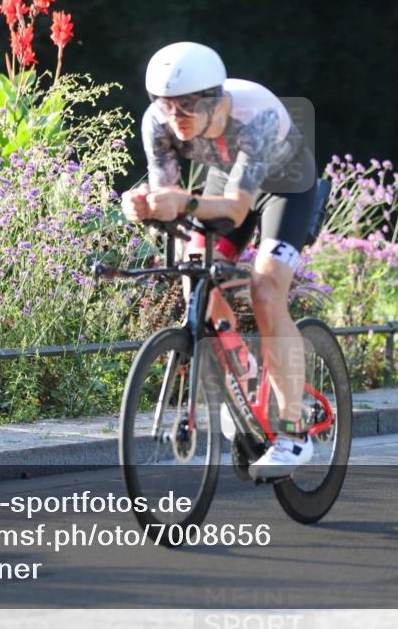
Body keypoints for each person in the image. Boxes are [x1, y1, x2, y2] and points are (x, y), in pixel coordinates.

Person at [121, 42, 317, 478]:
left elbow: (233, 211)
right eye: (167, 105)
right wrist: (142, 206)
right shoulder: (158, 123)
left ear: (218, 99)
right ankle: (245, 374)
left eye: (189, 106)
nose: (177, 116)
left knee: (265, 291)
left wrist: (182, 203)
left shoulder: (256, 115)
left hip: (285, 187)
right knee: (194, 273)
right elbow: (167, 202)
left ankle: (293, 433)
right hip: (228, 178)